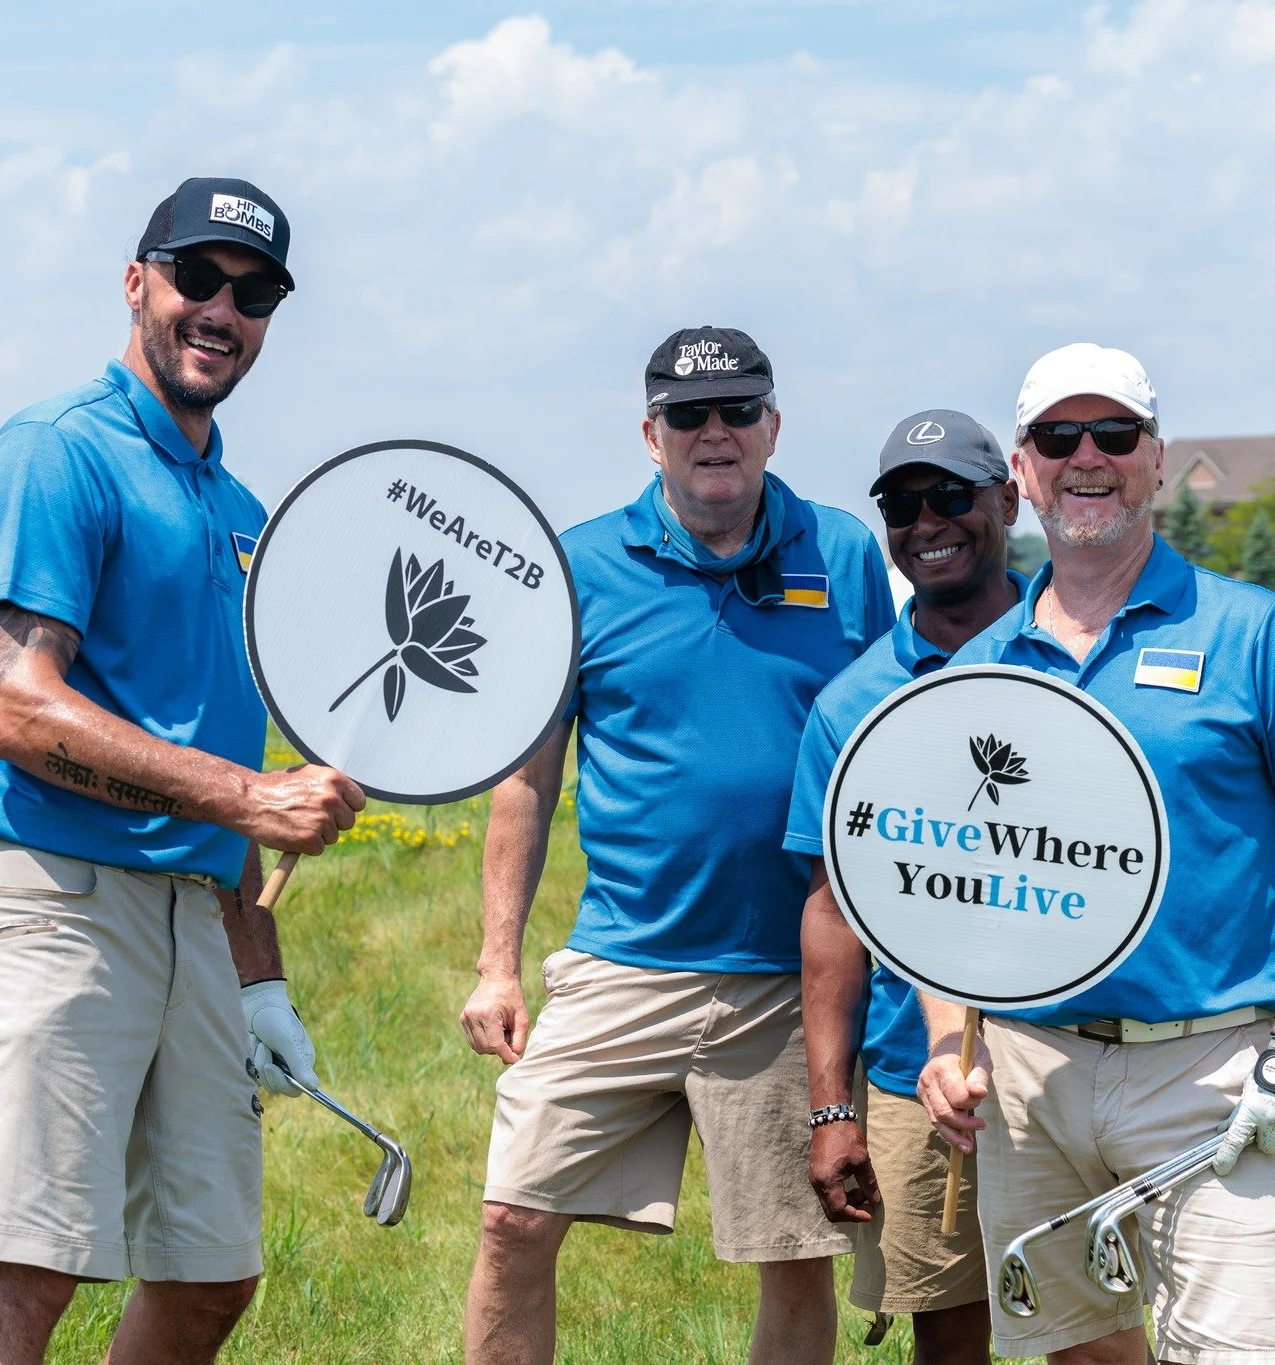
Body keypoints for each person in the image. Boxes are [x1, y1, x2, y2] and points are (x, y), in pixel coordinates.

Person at [0, 177, 367, 1365]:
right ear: (136, 283)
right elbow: (14, 705)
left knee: (210, 1275)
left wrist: (258, 978)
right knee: (22, 1275)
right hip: (48, 905)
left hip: (194, 932)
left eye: (254, 290)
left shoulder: (244, 512)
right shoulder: (57, 455)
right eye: (197, 278)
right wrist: (246, 800)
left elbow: (217, 742)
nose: (222, 308)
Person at [918, 343, 1275, 1365]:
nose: (1084, 456)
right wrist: (942, 1042)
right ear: (1021, 468)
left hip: (1208, 1065)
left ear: (1155, 456)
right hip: (1027, 1072)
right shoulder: (981, 665)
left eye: (1112, 434)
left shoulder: (1252, 632)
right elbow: (945, 887)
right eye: (1058, 437)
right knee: (1082, 1352)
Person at [460, 326, 897, 1365]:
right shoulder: (576, 566)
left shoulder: (838, 553)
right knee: (511, 1217)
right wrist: (495, 964)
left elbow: (891, 752)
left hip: (790, 975)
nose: (715, 433)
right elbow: (527, 779)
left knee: (793, 1251)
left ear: (773, 427)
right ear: (649, 434)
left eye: (738, 411)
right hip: (622, 959)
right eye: (689, 415)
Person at [789, 411, 1024, 1364]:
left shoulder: (1088, 648)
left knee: (1101, 1325)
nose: (928, 520)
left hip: (1090, 1056)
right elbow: (834, 909)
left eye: (952, 496)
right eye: (903, 503)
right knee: (951, 1331)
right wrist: (833, 1109)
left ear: (1008, 499)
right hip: (920, 1070)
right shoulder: (852, 702)